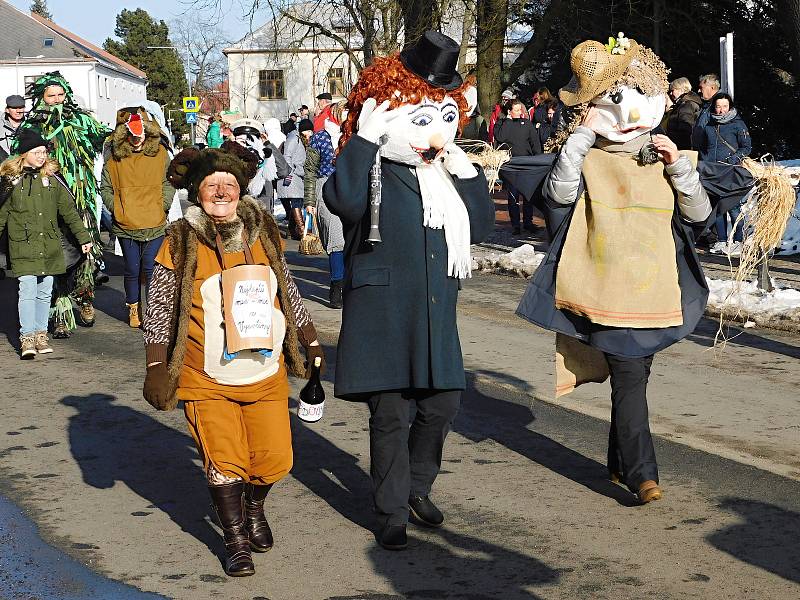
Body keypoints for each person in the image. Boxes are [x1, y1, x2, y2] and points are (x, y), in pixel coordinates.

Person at [517, 33, 711, 506]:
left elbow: (700, 216)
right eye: (613, 101)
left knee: (635, 378)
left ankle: (619, 462)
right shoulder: (587, 159)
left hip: (654, 290)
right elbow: (556, 199)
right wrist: (580, 140)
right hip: (605, 289)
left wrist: (681, 170)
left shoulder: (666, 157)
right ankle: (644, 474)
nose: (626, 114)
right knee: (628, 376)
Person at [324, 31, 495, 551]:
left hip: (435, 310)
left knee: (442, 404)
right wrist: (365, 140)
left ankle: (417, 487)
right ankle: (391, 510)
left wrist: (465, 171)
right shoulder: (372, 166)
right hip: (383, 311)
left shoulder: (443, 174)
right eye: (421, 118)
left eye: (445, 118)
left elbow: (482, 226)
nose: (436, 135)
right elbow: (344, 203)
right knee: (392, 413)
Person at [141, 142, 323, 577]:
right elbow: (161, 305)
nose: (220, 192)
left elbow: (287, 288)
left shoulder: (264, 233)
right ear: (197, 193)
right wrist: (154, 364)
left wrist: (309, 339)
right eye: (211, 185)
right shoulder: (180, 241)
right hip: (206, 374)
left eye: (228, 184)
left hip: (264, 370)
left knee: (276, 458)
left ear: (240, 190)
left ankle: (254, 505)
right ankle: (235, 538)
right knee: (224, 459)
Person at [14, 72, 110, 337]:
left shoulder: (81, 120)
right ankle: (58, 310)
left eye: (60, 94)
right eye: (50, 95)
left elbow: (104, 139)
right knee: (54, 252)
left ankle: (85, 298)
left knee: (85, 249)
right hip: (47, 198)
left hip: (81, 195)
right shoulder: (33, 126)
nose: (56, 100)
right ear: (41, 98)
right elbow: (17, 156)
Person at [0, 130, 92, 358]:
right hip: (22, 245)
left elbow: (69, 213)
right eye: (37, 152)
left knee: (44, 292)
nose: (42, 156)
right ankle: (27, 338)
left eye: (44, 152)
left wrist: (83, 238)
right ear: (24, 154)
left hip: (50, 246)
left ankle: (41, 335)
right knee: (28, 290)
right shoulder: (11, 181)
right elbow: (1, 215)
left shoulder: (52, 180)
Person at [99, 107, 173, 328]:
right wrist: (117, 208)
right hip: (126, 223)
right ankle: (133, 307)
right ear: (126, 134)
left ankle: (152, 311)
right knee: (132, 268)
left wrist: (164, 205)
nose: (137, 138)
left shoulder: (160, 154)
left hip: (155, 220)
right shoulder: (115, 159)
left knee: (150, 268)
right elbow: (105, 187)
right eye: (132, 134)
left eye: (140, 133)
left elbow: (168, 183)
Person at [304, 101, 347, 308]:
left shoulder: (355, 137)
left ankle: (353, 286)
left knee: (355, 240)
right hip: (326, 188)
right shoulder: (319, 138)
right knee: (335, 239)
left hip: (352, 189)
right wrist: (309, 201)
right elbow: (310, 171)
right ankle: (337, 287)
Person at [699, 92, 752, 255]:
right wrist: (705, 162)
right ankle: (721, 241)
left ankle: (738, 240)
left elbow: (746, 147)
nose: (721, 110)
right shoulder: (708, 125)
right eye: (718, 107)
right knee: (716, 207)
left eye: (725, 106)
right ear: (714, 107)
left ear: (730, 107)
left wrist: (733, 159)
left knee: (733, 206)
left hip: (731, 171)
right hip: (712, 172)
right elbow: (703, 146)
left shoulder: (738, 124)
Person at [494, 99, 541, 234]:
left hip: (526, 163)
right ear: (509, 111)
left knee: (528, 196)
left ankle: (528, 222)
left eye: (520, 109)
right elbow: (501, 137)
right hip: (511, 164)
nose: (520, 112)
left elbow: (535, 142)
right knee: (513, 195)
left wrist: (537, 159)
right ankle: (515, 224)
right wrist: (508, 120)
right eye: (516, 110)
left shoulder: (526, 124)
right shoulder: (502, 123)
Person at [278, 118, 313, 240]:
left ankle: (292, 231)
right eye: (309, 131)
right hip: (292, 176)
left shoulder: (301, 140)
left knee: (297, 202)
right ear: (303, 131)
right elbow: (287, 156)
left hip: (298, 176)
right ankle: (303, 230)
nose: (310, 134)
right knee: (297, 202)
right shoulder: (294, 139)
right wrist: (293, 170)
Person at [663, 77, 703, 150]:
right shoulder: (684, 104)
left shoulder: (686, 105)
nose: (671, 93)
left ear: (681, 89)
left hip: (681, 148)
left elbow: (686, 129)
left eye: (673, 90)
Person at [691, 73, 721, 150]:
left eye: (701, 88)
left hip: (711, 155)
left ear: (712, 87)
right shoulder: (706, 105)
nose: (699, 90)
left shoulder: (720, 105)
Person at [0, 95, 25, 161]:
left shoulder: (30, 124)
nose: (18, 111)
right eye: (14, 108)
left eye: (21, 108)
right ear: (7, 110)